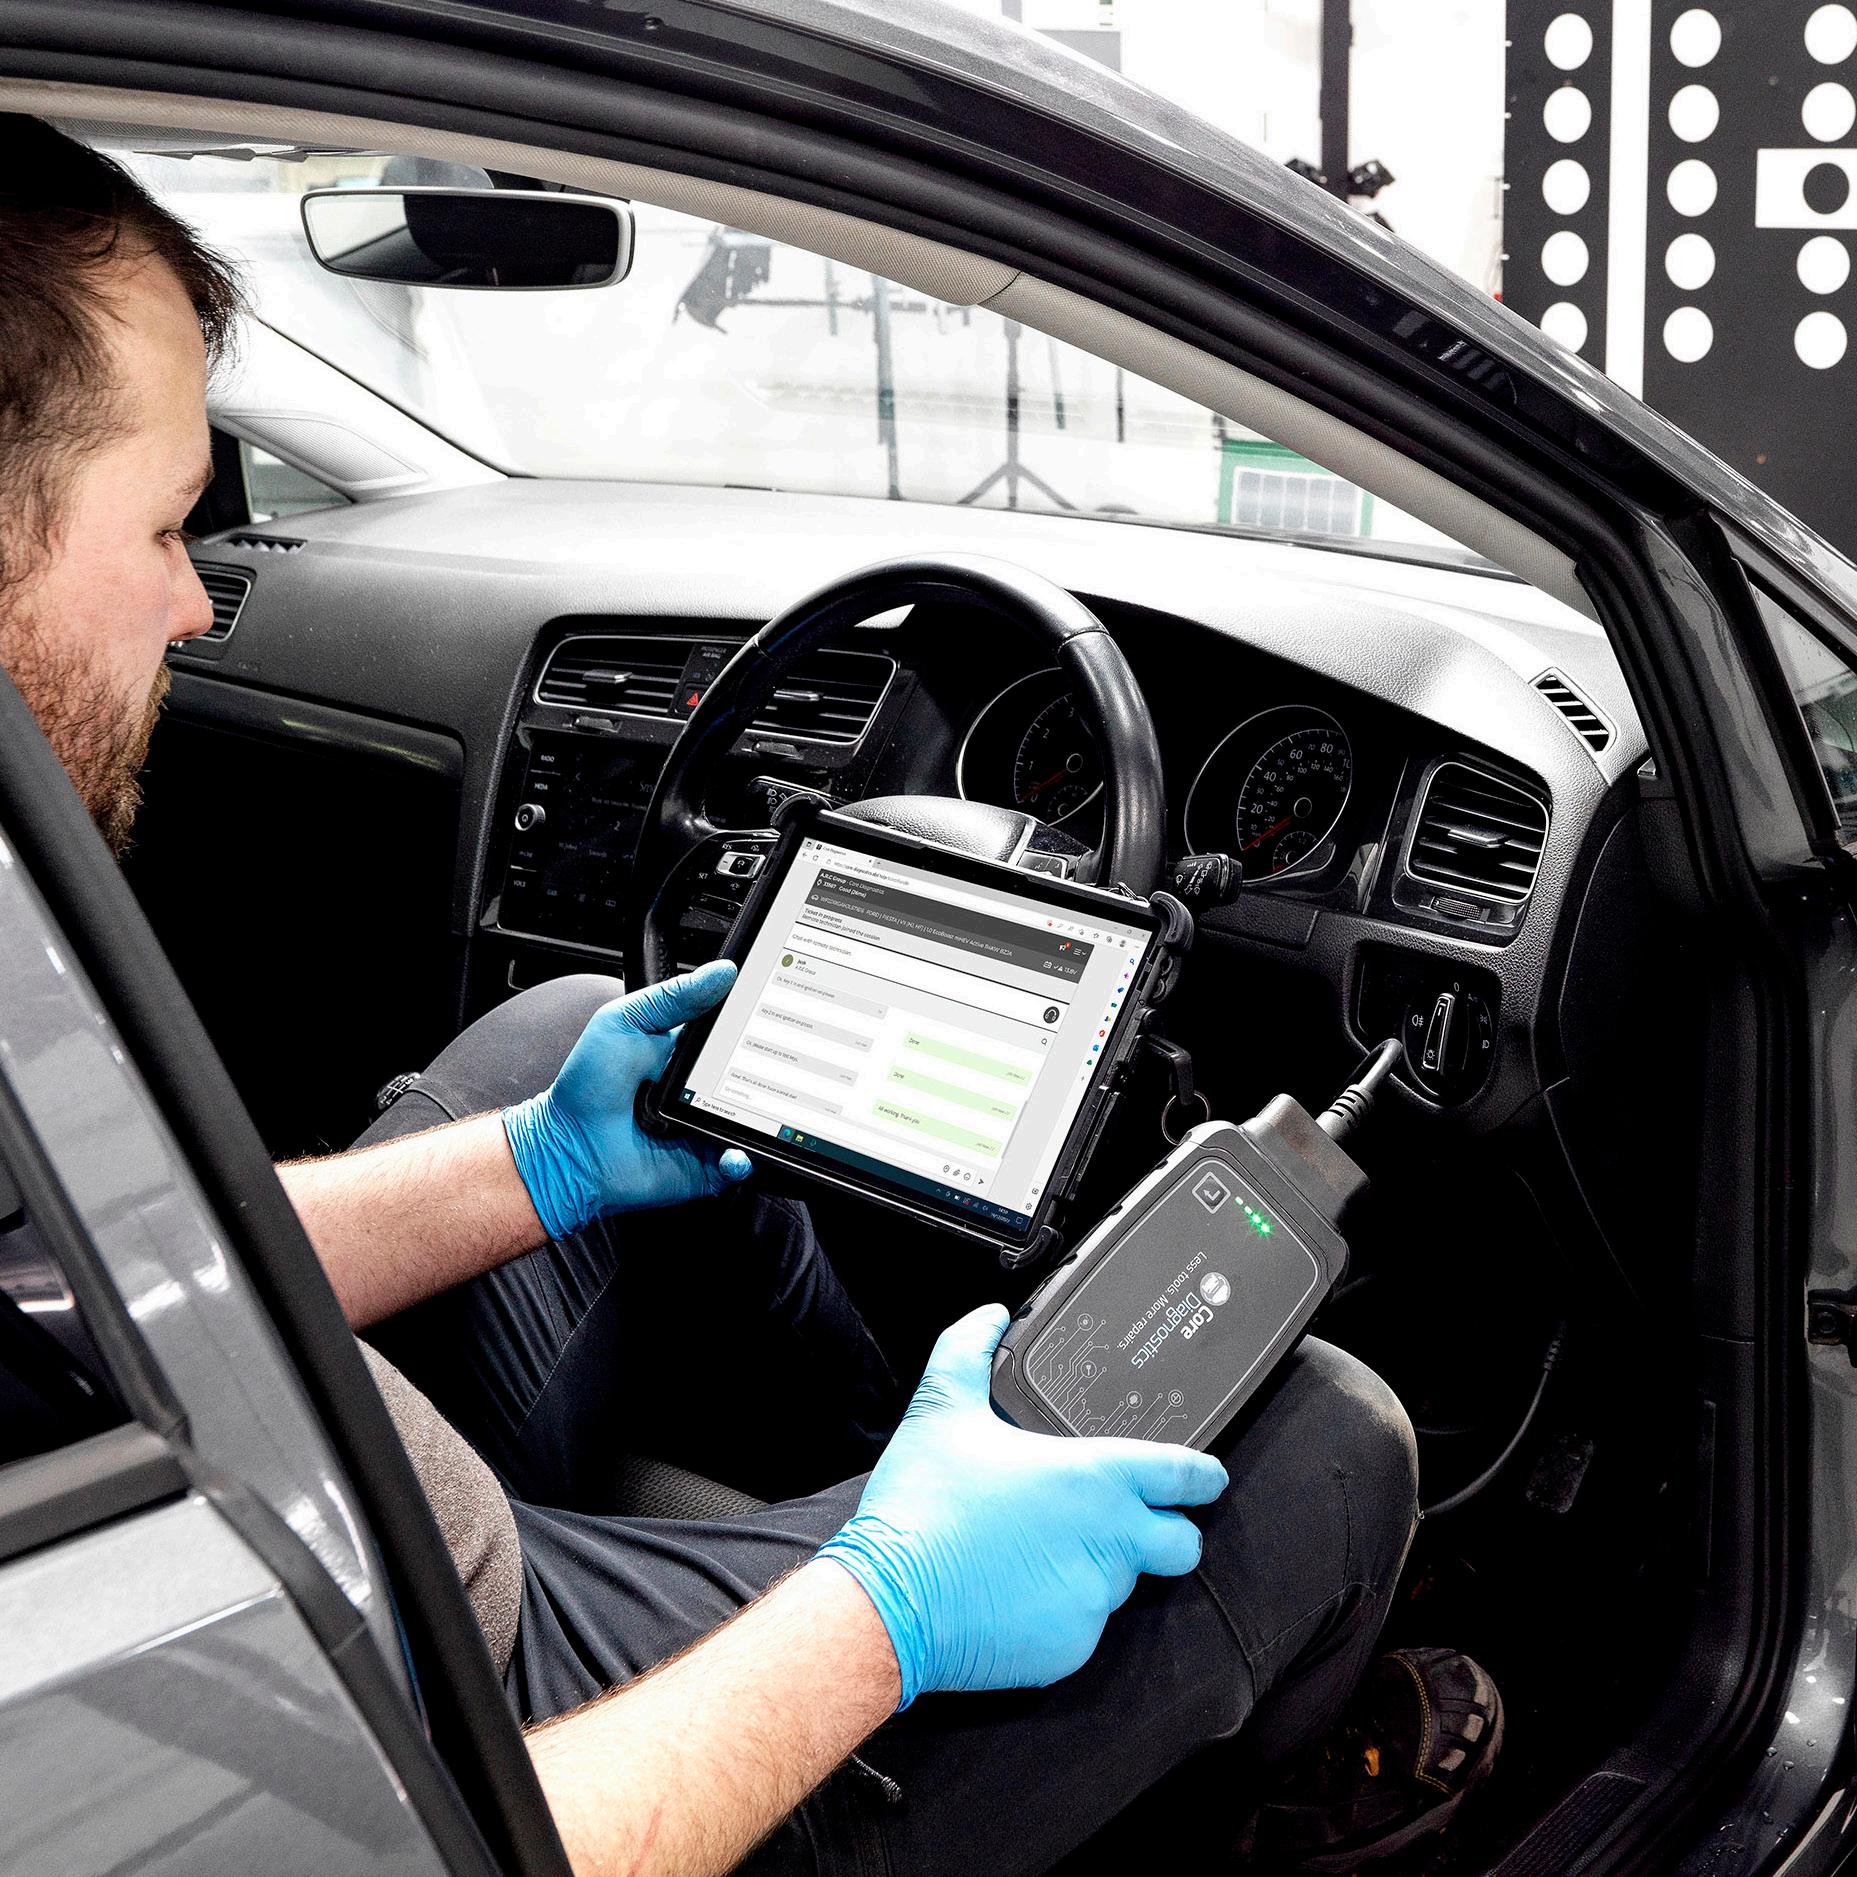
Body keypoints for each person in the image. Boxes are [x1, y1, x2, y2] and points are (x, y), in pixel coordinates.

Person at [0, 116, 1500, 1876]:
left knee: (571, 1046)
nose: (198, 600)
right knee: (1317, 1447)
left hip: (317, 1508)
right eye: (168, 522)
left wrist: (539, 1166)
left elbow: (61, 1291)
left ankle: (906, 1474)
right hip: (455, 1728)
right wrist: (885, 1608)